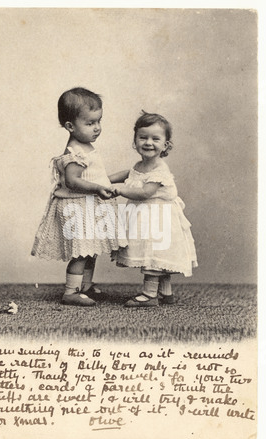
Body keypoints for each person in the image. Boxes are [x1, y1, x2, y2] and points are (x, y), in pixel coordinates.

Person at [31, 87, 127, 306]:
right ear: (70, 126)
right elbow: (73, 181)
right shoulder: (74, 151)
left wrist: (123, 176)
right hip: (77, 208)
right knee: (81, 252)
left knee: (90, 249)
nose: (97, 128)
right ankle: (71, 291)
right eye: (90, 123)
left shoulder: (86, 147)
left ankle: (85, 285)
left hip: (88, 206)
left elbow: (97, 176)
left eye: (98, 121)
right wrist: (96, 189)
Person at [110, 111, 198, 307]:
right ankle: (165, 292)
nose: (148, 142)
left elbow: (144, 192)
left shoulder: (160, 170)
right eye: (143, 137)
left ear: (165, 145)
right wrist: (107, 180)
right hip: (146, 219)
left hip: (160, 220)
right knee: (158, 255)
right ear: (135, 141)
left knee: (155, 255)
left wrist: (119, 190)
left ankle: (150, 295)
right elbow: (129, 173)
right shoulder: (140, 165)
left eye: (155, 138)